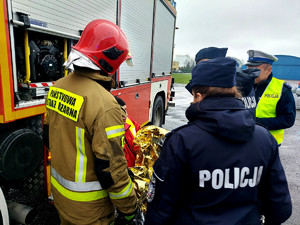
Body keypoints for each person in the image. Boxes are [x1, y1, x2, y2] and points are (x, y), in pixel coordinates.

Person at [145, 57, 292, 225]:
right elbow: (280, 209)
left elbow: (160, 209)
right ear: (234, 91)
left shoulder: (181, 141)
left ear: (198, 95)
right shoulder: (265, 139)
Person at [44, 19, 140, 225]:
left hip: (61, 198)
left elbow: (47, 137)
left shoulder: (57, 87)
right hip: (91, 211)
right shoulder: (106, 105)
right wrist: (131, 210)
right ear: (109, 62)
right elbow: (112, 170)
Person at [246, 50, 296, 145]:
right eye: (249, 68)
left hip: (268, 143)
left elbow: (288, 120)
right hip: (244, 141)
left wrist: (256, 122)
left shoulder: (282, 89)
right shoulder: (241, 85)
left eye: (255, 70)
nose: (250, 73)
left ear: (269, 70)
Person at [114, 96, 141, 167]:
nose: (125, 115)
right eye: (121, 111)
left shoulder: (130, 122)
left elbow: (140, 136)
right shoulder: (110, 130)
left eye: (125, 110)